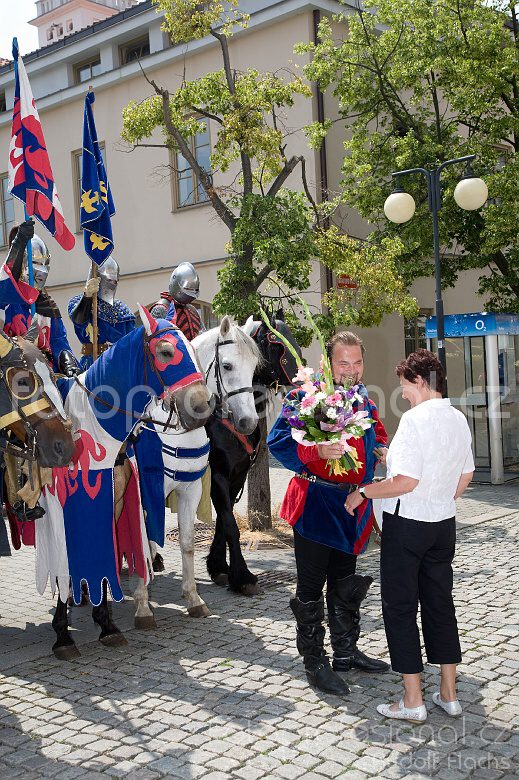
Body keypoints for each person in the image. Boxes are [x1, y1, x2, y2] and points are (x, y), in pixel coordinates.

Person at [345, 349, 474, 722]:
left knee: (400, 609)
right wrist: (436, 497)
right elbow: (464, 475)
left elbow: (405, 482)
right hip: (443, 525)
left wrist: (365, 491)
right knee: (439, 604)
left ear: (420, 381)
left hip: (407, 528)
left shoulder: (415, 421)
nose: (402, 394)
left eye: (405, 386)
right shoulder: (457, 418)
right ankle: (448, 694)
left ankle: (413, 699)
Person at [267, 331, 390, 696]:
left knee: (345, 583)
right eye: (343, 363)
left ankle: (346, 653)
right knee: (310, 587)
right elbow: (277, 443)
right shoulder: (304, 396)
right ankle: (314, 662)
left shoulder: (363, 396)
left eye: (357, 362)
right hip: (316, 505)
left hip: (353, 505)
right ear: (328, 362)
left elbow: (374, 430)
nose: (351, 370)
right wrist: (317, 453)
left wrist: (380, 446)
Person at [1, 220, 73, 372]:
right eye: (35, 262)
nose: (41, 270)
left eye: (44, 263)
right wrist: (18, 245)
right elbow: (5, 284)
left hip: (47, 373)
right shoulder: (7, 299)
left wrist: (67, 361)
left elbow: (59, 342)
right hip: (11, 373)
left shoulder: (48, 306)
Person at [68, 256, 135, 371]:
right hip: (92, 363)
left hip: (118, 363)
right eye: (109, 280)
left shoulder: (122, 310)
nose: (113, 284)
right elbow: (79, 321)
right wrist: (87, 297)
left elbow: (131, 341)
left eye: (115, 281)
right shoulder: (78, 303)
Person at [150, 262, 202, 340]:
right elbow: (156, 342)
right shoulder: (161, 309)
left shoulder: (192, 310)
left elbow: (201, 334)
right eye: (188, 290)